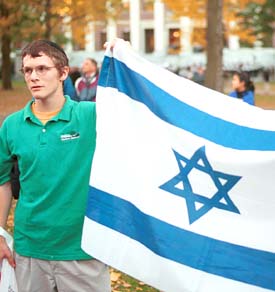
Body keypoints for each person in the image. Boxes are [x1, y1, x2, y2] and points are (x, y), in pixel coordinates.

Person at [0, 40, 111, 292]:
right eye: (28, 70)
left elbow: (133, 106)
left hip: (83, 249)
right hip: (29, 250)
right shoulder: (12, 125)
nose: (33, 77)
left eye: (42, 68)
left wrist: (123, 55)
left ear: (63, 73)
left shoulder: (90, 116)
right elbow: (2, 181)